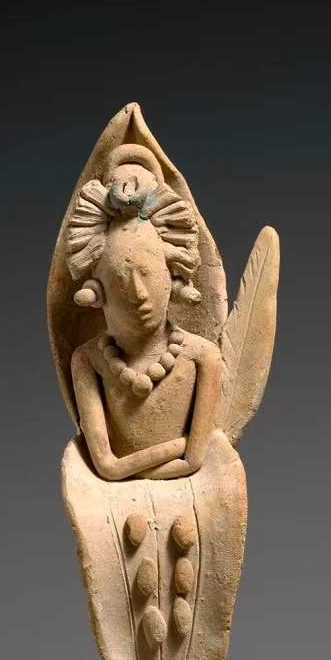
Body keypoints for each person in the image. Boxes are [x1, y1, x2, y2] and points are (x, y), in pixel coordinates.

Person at [64, 146, 222, 482]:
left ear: (171, 277)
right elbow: (106, 466)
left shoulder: (203, 357)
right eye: (121, 280)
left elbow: (196, 460)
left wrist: (130, 470)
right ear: (97, 291)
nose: (138, 294)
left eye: (148, 274)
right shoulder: (88, 361)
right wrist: (179, 447)